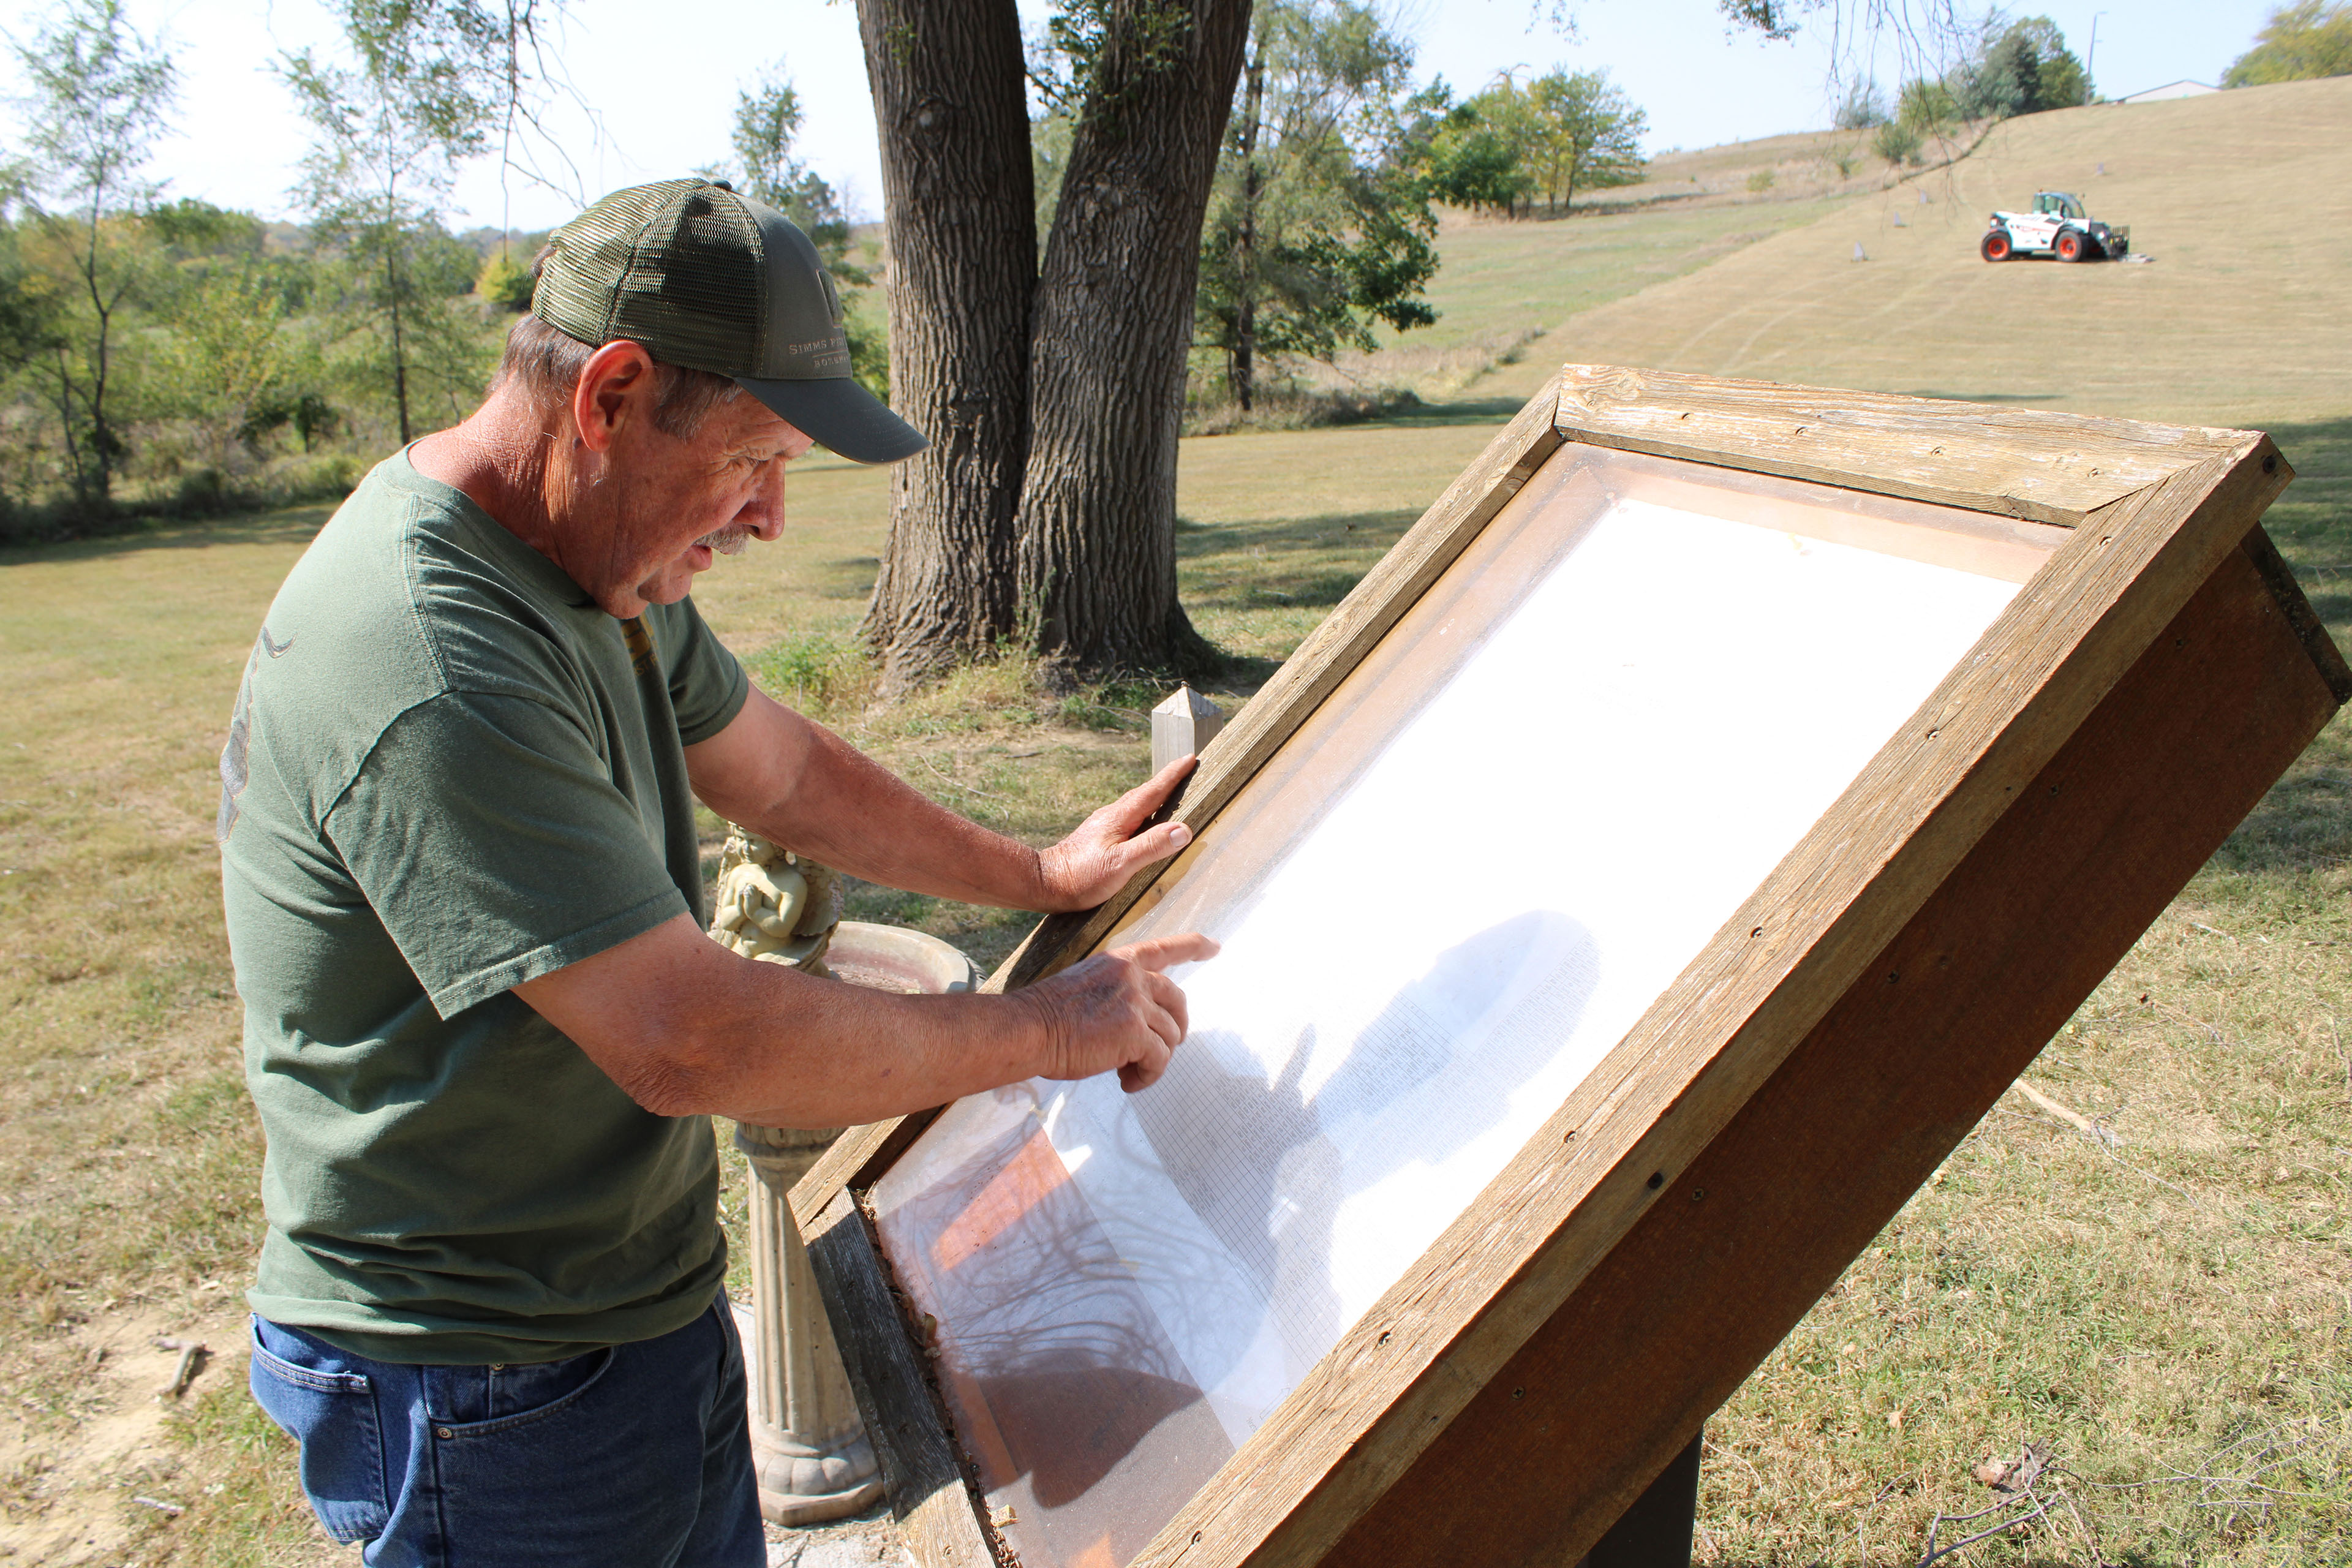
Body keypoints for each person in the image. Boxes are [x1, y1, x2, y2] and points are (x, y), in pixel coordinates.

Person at [217, 178, 1215, 1568]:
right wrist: (1044, 1027)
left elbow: (784, 773)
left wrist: (1037, 868)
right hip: (476, 1376)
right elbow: (690, 1039)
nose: (769, 521)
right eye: (753, 458)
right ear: (611, 395)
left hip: (624, 1313)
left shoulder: (589, 562)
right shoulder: (434, 648)